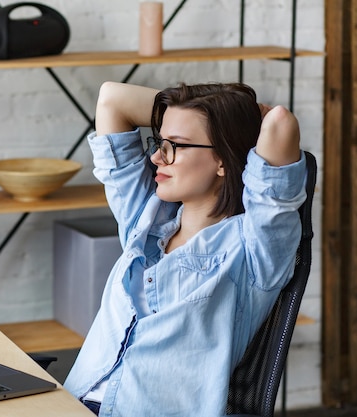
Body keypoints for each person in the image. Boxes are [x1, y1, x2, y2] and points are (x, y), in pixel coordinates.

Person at [63, 81, 307, 416]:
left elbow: (279, 123)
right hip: (69, 405)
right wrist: (198, 111)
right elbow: (111, 99)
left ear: (222, 158)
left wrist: (234, 118)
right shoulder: (144, 218)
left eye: (174, 145)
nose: (156, 157)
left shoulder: (254, 250)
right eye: (159, 141)